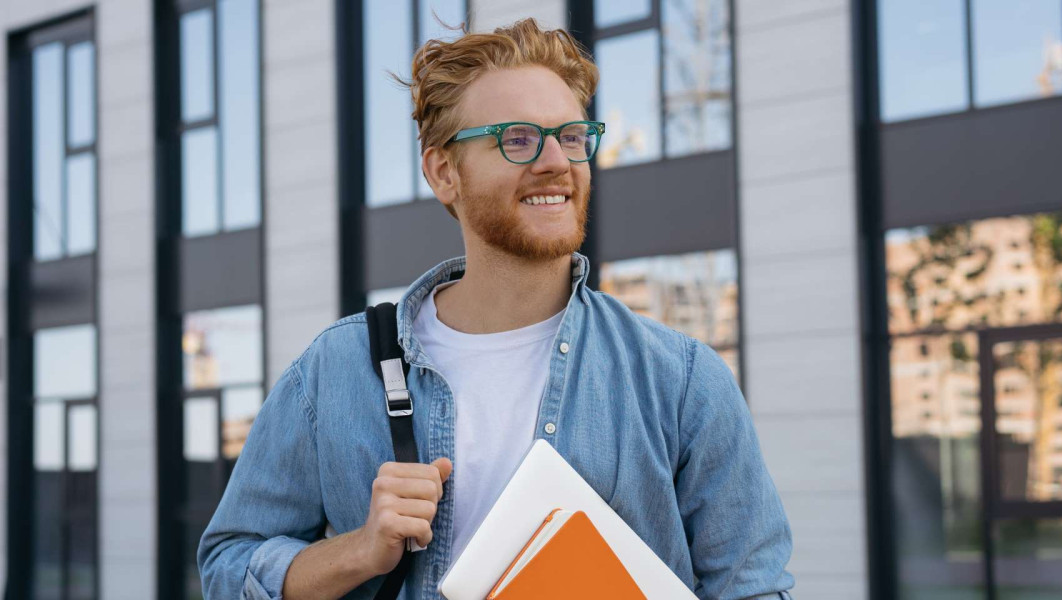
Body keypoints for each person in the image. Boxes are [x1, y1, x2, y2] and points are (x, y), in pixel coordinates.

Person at [198, 18, 794, 599]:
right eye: (517, 138)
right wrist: (358, 552)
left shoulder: (681, 382)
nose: (556, 162)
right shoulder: (336, 370)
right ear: (443, 171)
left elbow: (755, 590)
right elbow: (227, 565)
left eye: (571, 136)